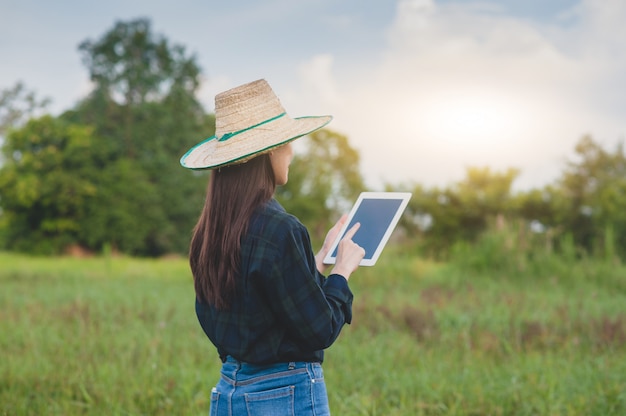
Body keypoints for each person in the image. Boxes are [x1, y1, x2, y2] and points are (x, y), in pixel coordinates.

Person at [180, 79, 365, 415]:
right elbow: (320, 330)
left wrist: (317, 262)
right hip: (284, 394)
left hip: (228, 392)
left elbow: (252, 305)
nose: (291, 151)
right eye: (286, 142)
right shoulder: (281, 229)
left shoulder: (210, 230)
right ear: (267, 151)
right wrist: (342, 272)